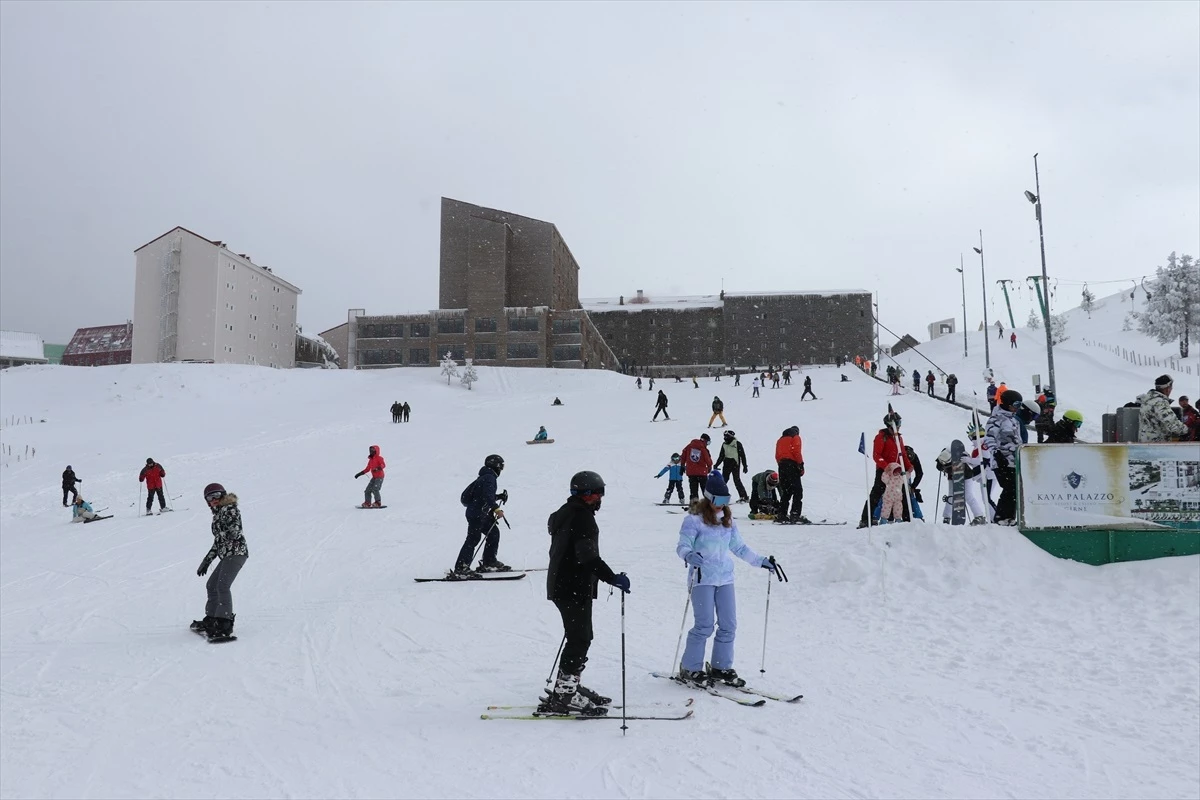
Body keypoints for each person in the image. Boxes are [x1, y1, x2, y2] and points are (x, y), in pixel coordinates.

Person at [675, 472, 780, 686]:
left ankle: (720, 667)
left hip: (725, 579)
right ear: (708, 497)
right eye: (718, 500)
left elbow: (739, 547)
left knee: (728, 625)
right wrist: (688, 555)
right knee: (704, 625)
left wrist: (761, 561)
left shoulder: (728, 521)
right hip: (702, 578)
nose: (721, 505)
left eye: (725, 501)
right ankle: (690, 668)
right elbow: (682, 545)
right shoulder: (693, 520)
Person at [540, 470, 628, 716]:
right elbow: (587, 556)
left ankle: (567, 687)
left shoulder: (565, 513)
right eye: (599, 493)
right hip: (572, 587)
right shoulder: (582, 518)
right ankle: (566, 695)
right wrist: (613, 578)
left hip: (562, 585)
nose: (601, 498)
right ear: (588, 494)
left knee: (578, 636)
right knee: (580, 638)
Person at [188, 483, 248, 640]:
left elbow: (235, 532)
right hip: (226, 554)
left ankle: (224, 623)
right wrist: (207, 561)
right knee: (211, 585)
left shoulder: (230, 509)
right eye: (209, 497)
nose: (213, 500)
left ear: (223, 495)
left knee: (222, 585)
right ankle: (212, 618)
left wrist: (225, 532)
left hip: (236, 553)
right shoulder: (218, 514)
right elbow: (218, 542)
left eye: (216, 496)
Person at [453, 454, 508, 575]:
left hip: (478, 513)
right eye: (501, 466)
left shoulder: (485, 477)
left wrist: (498, 497)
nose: (501, 469)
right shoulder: (489, 478)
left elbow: (483, 495)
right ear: (496, 466)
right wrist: (496, 509)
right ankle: (461, 567)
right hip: (477, 514)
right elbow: (487, 496)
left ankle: (489, 562)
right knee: (473, 538)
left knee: (493, 533)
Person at [858, 413, 912, 527]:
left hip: (897, 472)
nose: (899, 426)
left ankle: (906, 520)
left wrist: (908, 466)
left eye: (900, 423)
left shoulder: (899, 438)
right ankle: (865, 519)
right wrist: (886, 466)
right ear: (890, 425)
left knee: (902, 494)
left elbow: (902, 454)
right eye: (898, 423)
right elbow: (876, 455)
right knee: (877, 493)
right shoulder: (881, 437)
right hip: (884, 471)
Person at [984, 390, 1023, 525]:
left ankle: (1010, 517)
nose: (1017, 407)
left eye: (1020, 405)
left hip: (1015, 461)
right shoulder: (996, 419)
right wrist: (996, 452)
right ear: (1006, 403)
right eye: (1015, 404)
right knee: (1010, 487)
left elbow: (1018, 440)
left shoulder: (1014, 421)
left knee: (1015, 489)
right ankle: (1001, 517)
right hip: (1001, 461)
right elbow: (989, 437)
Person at [1137, 375, 1188, 442]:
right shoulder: (1160, 402)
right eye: (1171, 387)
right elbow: (1172, 424)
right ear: (1167, 388)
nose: (1171, 390)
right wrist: (1187, 430)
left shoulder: (1147, 401)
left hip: (1145, 443)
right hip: (1157, 445)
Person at [773, 425, 806, 522]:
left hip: (782, 465)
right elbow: (796, 451)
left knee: (786, 491)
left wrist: (782, 464)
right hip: (791, 465)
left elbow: (777, 455)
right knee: (797, 490)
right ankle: (795, 514)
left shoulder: (780, 440)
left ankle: (782, 514)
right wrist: (800, 465)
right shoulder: (795, 437)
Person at [713, 429, 750, 503]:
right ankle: (719, 496)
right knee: (724, 480)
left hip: (735, 464)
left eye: (727, 436)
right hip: (726, 463)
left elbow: (742, 455)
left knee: (737, 480)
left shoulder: (737, 444)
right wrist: (716, 464)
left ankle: (744, 496)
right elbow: (721, 455)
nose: (725, 438)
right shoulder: (724, 444)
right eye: (724, 436)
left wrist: (745, 466)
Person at [681, 433, 713, 501]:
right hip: (702, 472)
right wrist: (709, 466)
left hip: (691, 472)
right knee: (705, 491)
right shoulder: (703, 449)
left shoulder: (689, 446)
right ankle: (708, 505)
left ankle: (694, 506)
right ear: (705, 441)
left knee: (693, 491)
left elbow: (683, 455)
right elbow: (708, 459)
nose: (707, 444)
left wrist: (682, 465)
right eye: (708, 442)